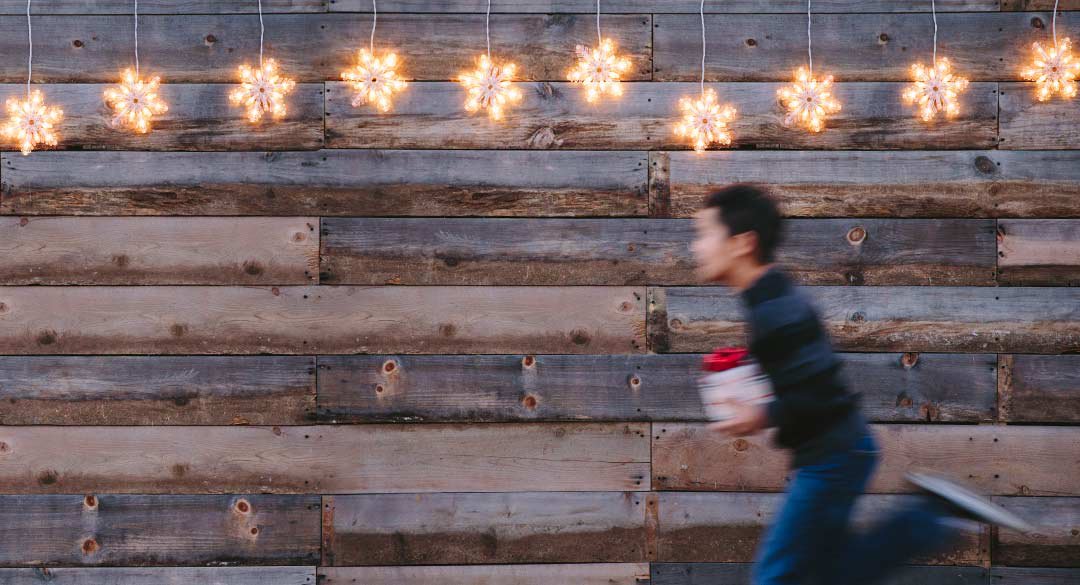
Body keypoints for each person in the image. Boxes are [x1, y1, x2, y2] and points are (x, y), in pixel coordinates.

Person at [690, 184, 1032, 585]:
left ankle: (928, 517)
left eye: (704, 234)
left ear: (741, 244)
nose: (697, 247)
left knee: (775, 577)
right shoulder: (770, 297)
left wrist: (759, 414)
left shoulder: (774, 310)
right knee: (830, 574)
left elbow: (816, 395)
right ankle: (928, 516)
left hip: (832, 458)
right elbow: (805, 376)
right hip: (837, 451)